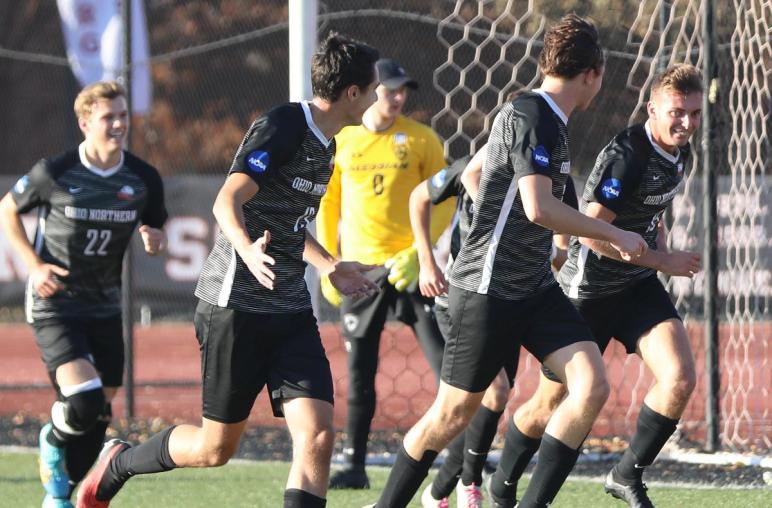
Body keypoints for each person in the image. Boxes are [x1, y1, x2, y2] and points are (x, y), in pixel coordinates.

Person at [75, 32, 380, 508]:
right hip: (233, 303)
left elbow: (287, 223)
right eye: (375, 87)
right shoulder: (283, 124)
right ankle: (117, 462)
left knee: (318, 435)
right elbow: (227, 201)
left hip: (289, 308)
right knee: (215, 448)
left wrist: (329, 266)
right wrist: (247, 250)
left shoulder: (329, 146)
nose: (380, 96)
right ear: (353, 93)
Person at [370, 14, 649, 508]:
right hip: (486, 289)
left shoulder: (534, 117)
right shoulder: (532, 114)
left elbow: (478, 171)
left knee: (589, 383)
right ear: (593, 73)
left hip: (534, 289)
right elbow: (538, 207)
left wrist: (499, 212)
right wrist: (612, 232)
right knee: (452, 414)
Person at [485, 64, 704, 508]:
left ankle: (626, 475)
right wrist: (665, 260)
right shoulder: (629, 153)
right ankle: (504, 481)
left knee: (680, 377)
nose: (687, 123)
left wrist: (656, 251)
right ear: (653, 108)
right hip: (588, 291)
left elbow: (650, 214)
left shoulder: (681, 152)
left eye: (695, 114)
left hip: (637, 284)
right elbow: (591, 234)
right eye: (678, 112)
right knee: (551, 404)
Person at [0, 81, 167, 508]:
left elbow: (155, 222)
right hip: (55, 302)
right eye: (109, 117)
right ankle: (52, 444)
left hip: (105, 306)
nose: (119, 124)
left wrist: (153, 235)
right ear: (85, 122)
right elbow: (7, 210)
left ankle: (64, 492)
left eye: (123, 115)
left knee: (98, 412)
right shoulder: (56, 172)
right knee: (84, 399)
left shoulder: (142, 177)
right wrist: (34, 266)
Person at [411, 144, 578, 508]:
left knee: (477, 406)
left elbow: (564, 237)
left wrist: (554, 253)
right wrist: (426, 262)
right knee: (492, 393)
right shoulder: (473, 168)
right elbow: (418, 197)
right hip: (463, 298)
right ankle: (469, 485)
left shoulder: (549, 175)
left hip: (510, 302)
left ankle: (438, 491)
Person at [317, 58, 453, 490]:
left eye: (403, 91)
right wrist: (330, 265)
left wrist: (420, 250)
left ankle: (465, 455)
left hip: (412, 269)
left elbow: (447, 200)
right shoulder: (344, 141)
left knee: (448, 364)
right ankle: (354, 463)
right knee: (360, 373)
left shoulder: (421, 140)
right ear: (370, 89)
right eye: (390, 89)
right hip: (363, 270)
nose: (397, 98)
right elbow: (328, 204)